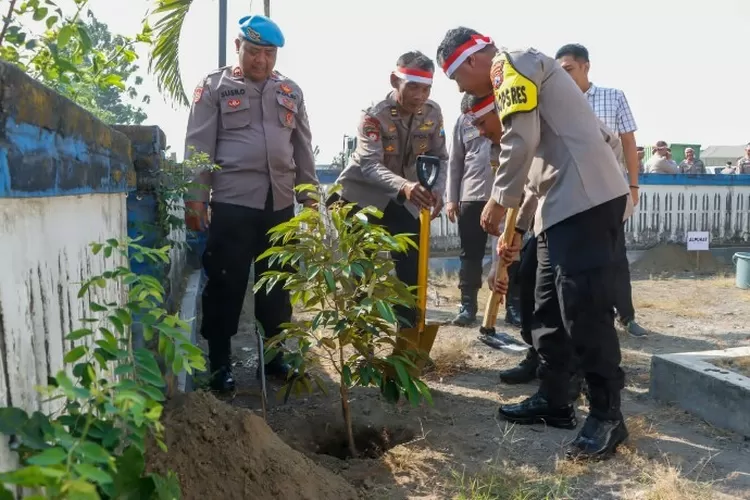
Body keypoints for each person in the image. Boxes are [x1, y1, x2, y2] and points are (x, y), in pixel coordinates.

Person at [436, 27, 633, 461]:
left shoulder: (514, 63)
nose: (462, 89)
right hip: (560, 205)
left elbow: (520, 144)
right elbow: (535, 177)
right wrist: (519, 231)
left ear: (470, 62)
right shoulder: (517, 77)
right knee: (545, 305)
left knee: (583, 307)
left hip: (585, 197)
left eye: (456, 79)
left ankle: (606, 415)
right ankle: (556, 399)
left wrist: (495, 199)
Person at [184, 15, 318, 393]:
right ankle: (220, 363)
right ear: (237, 47)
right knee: (226, 284)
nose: (261, 60)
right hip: (232, 202)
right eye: (254, 51)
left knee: (278, 285)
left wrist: (308, 194)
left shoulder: (290, 90)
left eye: (269, 53)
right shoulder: (214, 87)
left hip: (278, 204)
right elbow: (198, 146)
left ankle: (274, 357)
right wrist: (195, 199)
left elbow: (302, 148)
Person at [332, 51, 448, 329]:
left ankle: (408, 339)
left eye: (426, 88)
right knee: (361, 272)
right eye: (412, 87)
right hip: (359, 199)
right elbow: (370, 165)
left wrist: (438, 190)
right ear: (395, 80)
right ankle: (361, 340)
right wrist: (406, 186)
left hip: (404, 201)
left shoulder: (432, 113)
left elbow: (440, 157)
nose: (419, 95)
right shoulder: (373, 115)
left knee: (412, 267)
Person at [555, 43, 647, 339]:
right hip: (569, 194)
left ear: (585, 66)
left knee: (615, 254)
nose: (564, 76)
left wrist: (633, 185)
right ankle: (586, 319)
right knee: (574, 261)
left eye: (568, 69)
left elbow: (629, 143)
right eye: (559, 72)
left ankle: (627, 315)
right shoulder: (554, 101)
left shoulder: (612, 97)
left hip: (609, 190)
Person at [447, 94, 520, 327]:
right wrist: (452, 199)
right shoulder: (461, 122)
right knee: (470, 253)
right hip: (473, 193)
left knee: (510, 252)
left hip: (505, 194)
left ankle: (513, 305)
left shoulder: (505, 115)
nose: (476, 124)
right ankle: (468, 305)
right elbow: (455, 161)